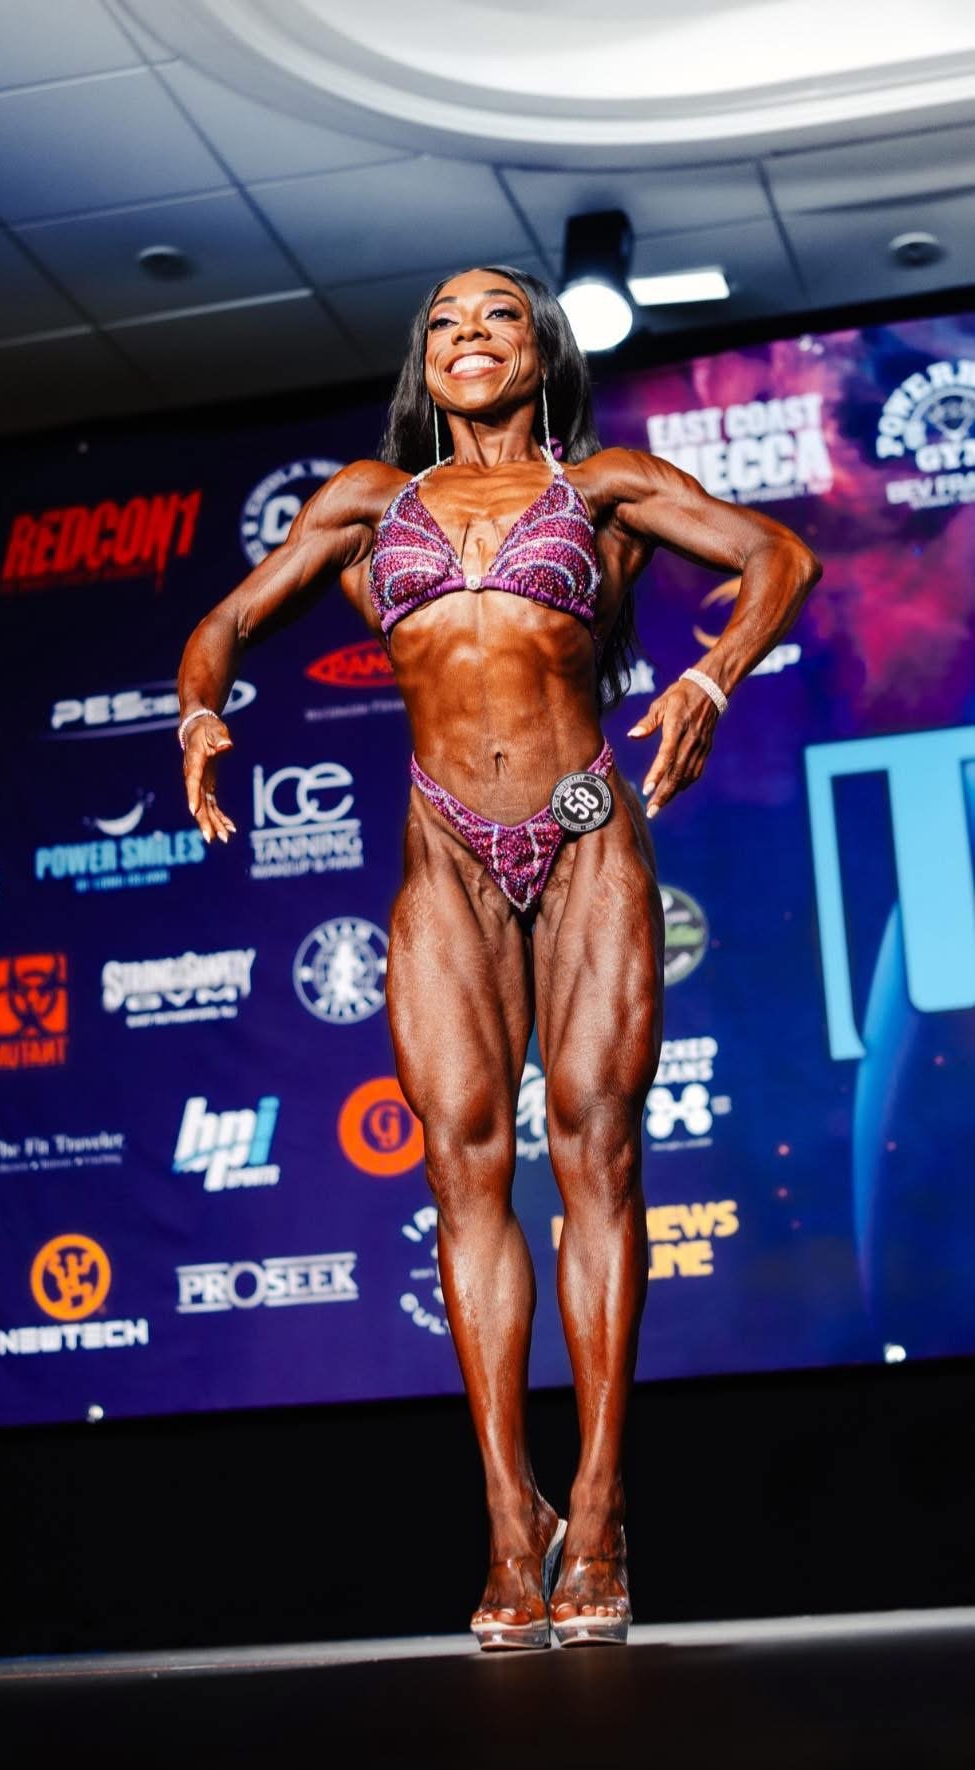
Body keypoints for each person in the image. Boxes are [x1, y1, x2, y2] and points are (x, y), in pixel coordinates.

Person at [176, 266, 820, 1648]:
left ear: (542, 352)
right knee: (464, 1175)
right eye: (445, 324)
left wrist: (711, 676)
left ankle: (595, 1506)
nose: (469, 337)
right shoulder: (369, 502)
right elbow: (225, 624)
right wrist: (199, 709)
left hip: (587, 839)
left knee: (597, 1158)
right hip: (442, 860)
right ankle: (505, 1519)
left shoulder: (607, 490)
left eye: (499, 318)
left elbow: (784, 557)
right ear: (427, 362)